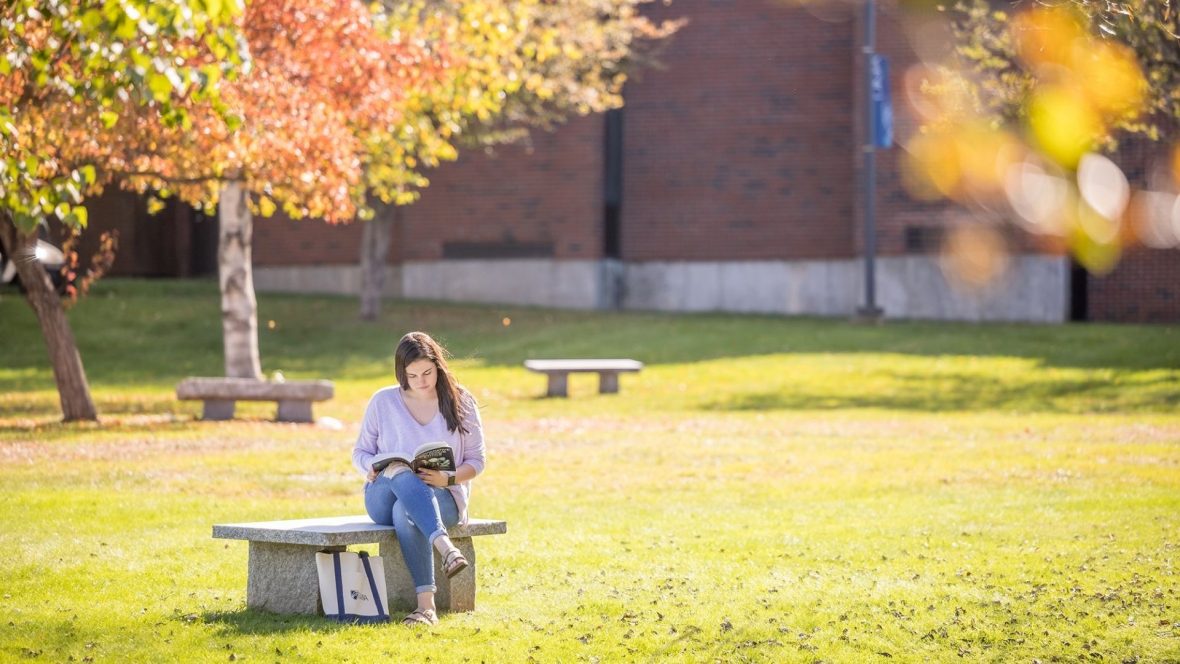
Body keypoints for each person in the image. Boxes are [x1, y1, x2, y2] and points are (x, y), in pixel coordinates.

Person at [353, 331, 487, 626]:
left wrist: (448, 479)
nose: (422, 381)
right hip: (382, 496)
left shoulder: (461, 400)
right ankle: (446, 548)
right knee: (400, 471)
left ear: (438, 365)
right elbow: (361, 451)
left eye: (427, 372)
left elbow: (477, 461)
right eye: (412, 376)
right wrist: (369, 466)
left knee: (407, 511)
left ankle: (426, 607)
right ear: (402, 373)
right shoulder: (383, 401)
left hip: (443, 495)